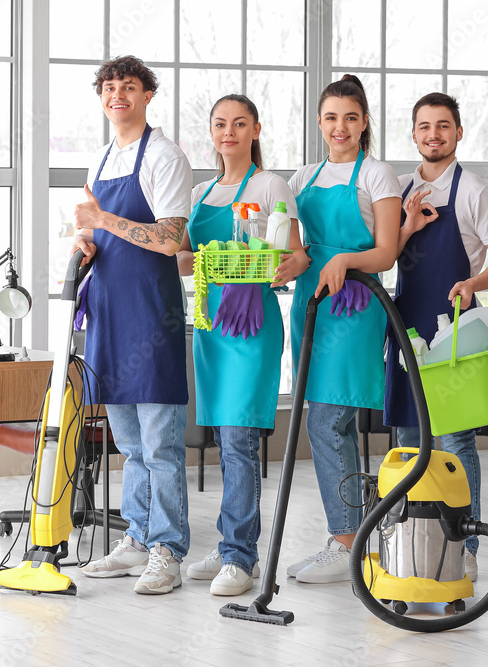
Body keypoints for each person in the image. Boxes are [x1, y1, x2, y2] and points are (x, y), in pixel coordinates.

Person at [175, 94, 309, 596]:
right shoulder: (200, 192)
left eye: (239, 123)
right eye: (219, 124)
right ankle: (233, 542)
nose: (228, 131)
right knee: (222, 439)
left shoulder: (270, 185)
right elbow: (186, 259)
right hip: (211, 323)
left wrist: (280, 268)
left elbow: (295, 254)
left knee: (240, 439)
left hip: (252, 323)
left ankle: (241, 555)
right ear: (210, 132)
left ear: (255, 129)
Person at [384, 92, 488, 583]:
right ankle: (413, 543)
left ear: (458, 132)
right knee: (410, 437)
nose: (433, 135)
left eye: (443, 126)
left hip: (457, 328)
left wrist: (472, 284)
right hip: (408, 326)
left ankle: (465, 543)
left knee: (455, 441)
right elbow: (384, 251)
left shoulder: (474, 191)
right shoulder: (398, 190)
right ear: (413, 134)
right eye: (424, 126)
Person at [72, 55, 193, 595]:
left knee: (161, 444)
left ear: (148, 95)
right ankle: (139, 538)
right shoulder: (100, 159)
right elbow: (104, 235)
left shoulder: (164, 156)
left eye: (129, 87)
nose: (117, 95)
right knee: (128, 443)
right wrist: (86, 241)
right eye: (110, 87)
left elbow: (169, 240)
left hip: (150, 313)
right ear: (101, 97)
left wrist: (103, 221)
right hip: (107, 314)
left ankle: (168, 548)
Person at [284, 75, 401, 584]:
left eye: (351, 117)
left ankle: (347, 539)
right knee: (326, 420)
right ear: (319, 121)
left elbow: (387, 252)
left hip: (355, 302)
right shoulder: (302, 177)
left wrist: (347, 260)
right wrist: (289, 264)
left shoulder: (377, 174)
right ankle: (355, 536)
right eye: (331, 117)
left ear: (365, 122)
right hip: (311, 301)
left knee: (329, 419)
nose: (340, 127)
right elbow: (295, 245)